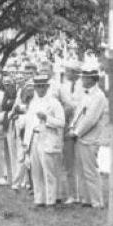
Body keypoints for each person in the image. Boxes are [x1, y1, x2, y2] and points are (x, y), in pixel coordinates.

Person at [23, 73, 65, 208]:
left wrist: (47, 118)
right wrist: (26, 143)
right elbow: (29, 123)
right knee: (36, 171)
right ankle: (39, 199)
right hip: (34, 137)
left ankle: (51, 200)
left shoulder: (54, 103)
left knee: (49, 171)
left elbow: (61, 122)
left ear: (47, 87)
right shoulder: (33, 103)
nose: (40, 89)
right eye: (38, 86)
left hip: (47, 137)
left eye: (43, 86)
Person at [68, 68, 108, 208]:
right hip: (80, 138)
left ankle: (97, 201)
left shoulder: (99, 96)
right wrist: (72, 127)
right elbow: (78, 113)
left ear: (92, 79)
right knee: (81, 170)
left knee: (90, 171)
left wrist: (76, 132)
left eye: (85, 77)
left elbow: (91, 119)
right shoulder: (86, 95)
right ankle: (86, 199)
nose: (82, 80)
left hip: (90, 139)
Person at [59, 61, 84, 204]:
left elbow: (82, 106)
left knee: (80, 163)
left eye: (69, 71)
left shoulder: (83, 86)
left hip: (81, 128)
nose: (67, 74)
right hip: (68, 127)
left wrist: (71, 107)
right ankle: (72, 194)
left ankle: (82, 193)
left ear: (75, 72)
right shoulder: (63, 87)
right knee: (69, 163)